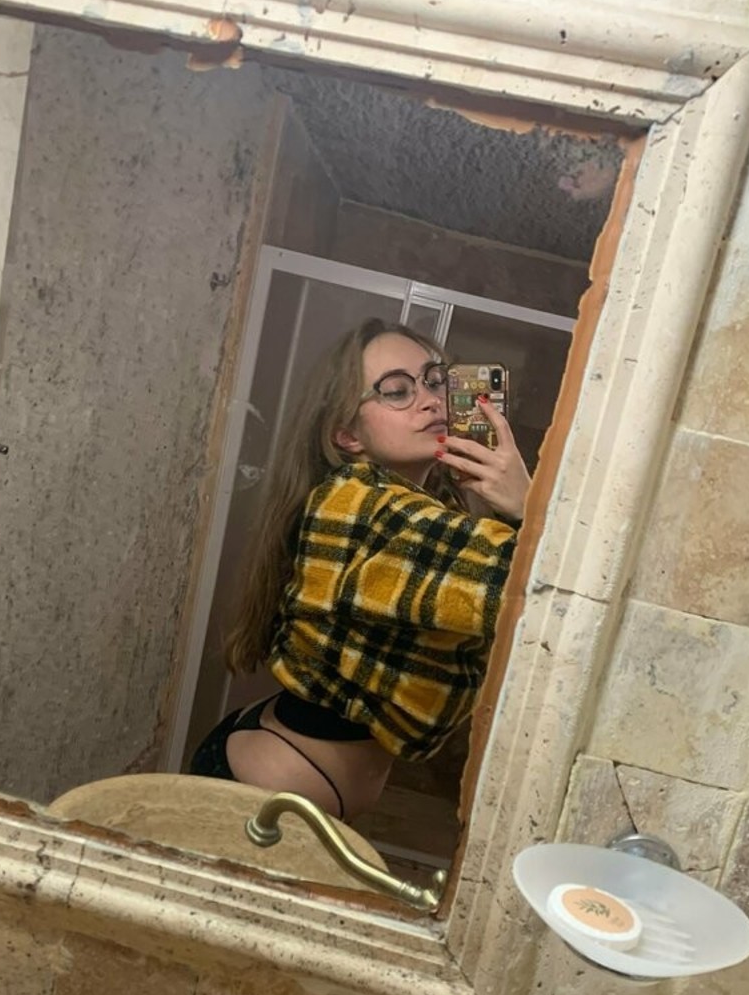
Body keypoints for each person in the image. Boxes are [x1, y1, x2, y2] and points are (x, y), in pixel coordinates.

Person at [189, 318, 531, 822]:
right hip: (274, 789)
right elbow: (530, 595)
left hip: (290, 765)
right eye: (397, 390)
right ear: (347, 434)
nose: (430, 400)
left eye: (435, 379)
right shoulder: (364, 510)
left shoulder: (417, 505)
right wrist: (527, 506)